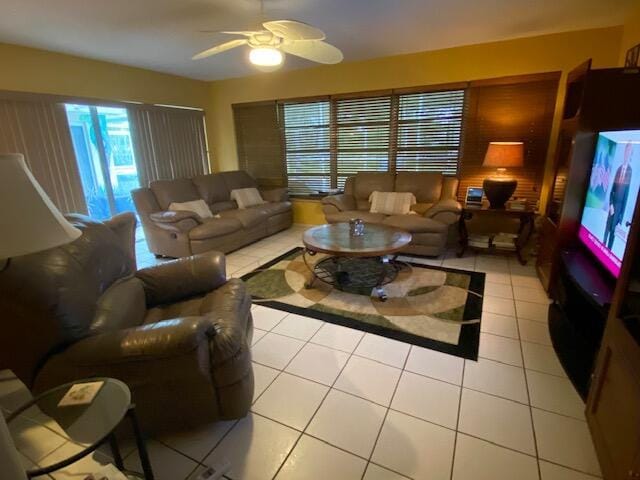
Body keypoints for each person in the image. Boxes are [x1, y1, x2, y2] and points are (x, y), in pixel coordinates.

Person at [604, 142, 634, 249]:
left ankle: (608, 251)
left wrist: (621, 217)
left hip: (619, 208)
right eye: (626, 151)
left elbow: (626, 196)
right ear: (624, 152)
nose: (627, 153)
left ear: (631, 154)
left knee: (613, 233)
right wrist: (611, 204)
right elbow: (612, 189)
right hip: (612, 207)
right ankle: (603, 246)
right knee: (607, 229)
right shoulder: (618, 169)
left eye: (629, 152)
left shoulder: (630, 171)